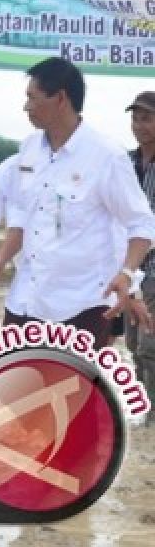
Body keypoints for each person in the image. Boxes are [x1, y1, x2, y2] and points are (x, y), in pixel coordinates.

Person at [0, 58, 154, 350]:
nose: (26, 106)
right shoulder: (29, 149)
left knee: (71, 393)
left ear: (59, 98)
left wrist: (127, 274)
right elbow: (23, 215)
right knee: (15, 389)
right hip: (26, 301)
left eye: (32, 97)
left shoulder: (106, 156)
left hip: (81, 306)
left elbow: (141, 224)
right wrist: (1, 258)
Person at [125, 91, 155, 423]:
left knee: (150, 344)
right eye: (135, 118)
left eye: (147, 118)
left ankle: (152, 410)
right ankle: (144, 403)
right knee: (133, 342)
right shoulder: (127, 163)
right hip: (131, 270)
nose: (140, 125)